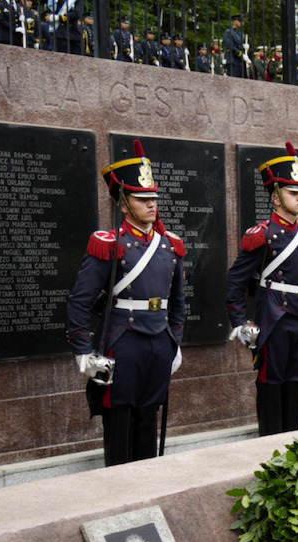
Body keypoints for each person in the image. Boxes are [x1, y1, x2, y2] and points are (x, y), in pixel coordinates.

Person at [67, 140, 187, 466]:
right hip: (123, 343)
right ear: (124, 204)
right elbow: (80, 302)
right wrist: (83, 353)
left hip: (158, 342)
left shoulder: (169, 246)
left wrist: (174, 341)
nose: (152, 205)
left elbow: (177, 302)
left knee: (149, 419)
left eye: (154, 199)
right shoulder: (108, 245)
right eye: (142, 199)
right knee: (119, 422)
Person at [225, 143, 298, 436]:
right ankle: (269, 450)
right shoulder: (263, 235)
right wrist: (241, 323)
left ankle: (294, 448)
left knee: (296, 385)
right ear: (275, 197)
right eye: (293, 193)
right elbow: (235, 281)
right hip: (276, 319)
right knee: (271, 386)